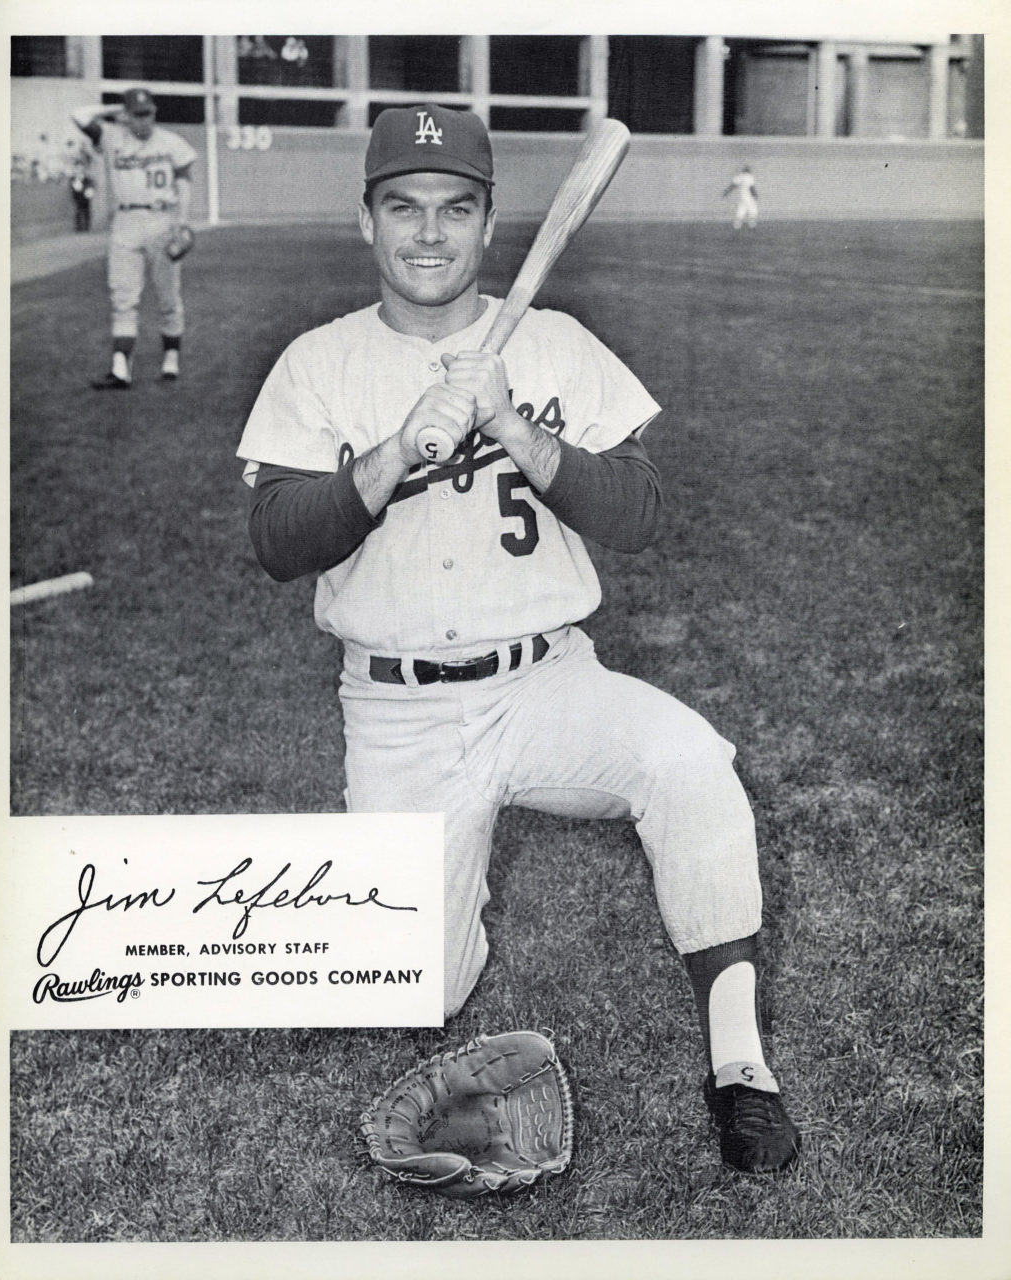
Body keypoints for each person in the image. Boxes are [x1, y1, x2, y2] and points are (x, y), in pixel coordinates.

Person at [237, 104, 799, 1173]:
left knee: (688, 760)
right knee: (418, 985)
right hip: (398, 710)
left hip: (547, 682)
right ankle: (440, 917)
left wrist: (511, 424)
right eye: (403, 207)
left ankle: (740, 1068)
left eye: (456, 208)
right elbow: (275, 540)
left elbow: (638, 515)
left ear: (489, 223)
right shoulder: (317, 363)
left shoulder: (553, 345)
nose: (430, 233)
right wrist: (400, 445)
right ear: (367, 222)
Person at [71, 88, 196, 388]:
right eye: (137, 114)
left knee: (168, 295)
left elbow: (184, 183)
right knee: (123, 297)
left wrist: (182, 222)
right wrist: (115, 108)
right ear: (126, 116)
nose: (144, 120)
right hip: (125, 220)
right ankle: (120, 369)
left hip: (161, 219)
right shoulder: (112, 136)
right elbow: (78, 116)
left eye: (148, 113)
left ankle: (171, 360)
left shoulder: (171, 142)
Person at [723, 164, 759, 230]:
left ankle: (736, 226)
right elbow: (751, 187)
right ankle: (752, 226)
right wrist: (755, 195)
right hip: (750, 197)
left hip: (742, 197)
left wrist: (726, 192)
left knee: (741, 211)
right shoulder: (749, 177)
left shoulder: (739, 177)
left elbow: (733, 186)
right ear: (748, 170)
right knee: (753, 211)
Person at [68, 161, 95, 233]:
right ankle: (78, 227)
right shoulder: (73, 178)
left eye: (81, 168)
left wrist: (89, 191)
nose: (79, 169)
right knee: (78, 210)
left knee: (87, 210)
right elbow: (73, 188)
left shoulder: (87, 178)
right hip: (77, 197)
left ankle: (87, 226)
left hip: (85, 196)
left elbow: (90, 185)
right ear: (75, 169)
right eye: (77, 168)